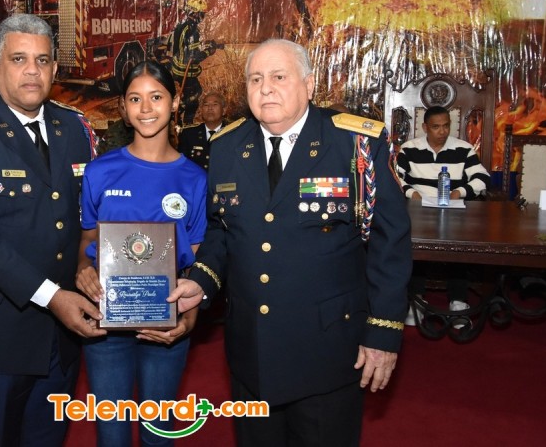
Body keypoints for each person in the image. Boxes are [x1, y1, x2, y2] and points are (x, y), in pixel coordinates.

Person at [168, 39, 412, 446]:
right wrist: (201, 282)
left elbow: (392, 242)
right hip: (252, 349)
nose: (265, 88)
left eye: (279, 77)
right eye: (255, 79)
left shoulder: (355, 143)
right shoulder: (227, 147)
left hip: (328, 350)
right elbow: (221, 231)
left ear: (309, 84)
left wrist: (384, 332)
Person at [0, 14, 106, 447]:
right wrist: (54, 297)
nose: (32, 70)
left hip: (63, 331)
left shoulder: (74, 127)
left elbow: (85, 217)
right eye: (19, 59)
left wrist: (90, 265)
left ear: (54, 69)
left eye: (42, 60)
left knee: (48, 436)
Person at [75, 60, 208, 446]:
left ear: (175, 102)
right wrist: (82, 268)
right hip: (105, 320)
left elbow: (196, 258)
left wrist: (191, 316)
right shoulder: (100, 171)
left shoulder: (195, 179)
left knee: (158, 432)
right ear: (123, 107)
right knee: (111, 433)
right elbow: (87, 240)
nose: (146, 108)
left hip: (166, 321)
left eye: (156, 97)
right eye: (135, 99)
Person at [396, 105, 491, 324]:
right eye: (436, 127)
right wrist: (412, 194)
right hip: (418, 210)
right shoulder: (409, 149)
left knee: (457, 245)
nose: (442, 131)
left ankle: (458, 300)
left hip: (453, 211)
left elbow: (482, 178)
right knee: (415, 244)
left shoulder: (463, 149)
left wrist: (459, 192)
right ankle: (417, 301)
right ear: (425, 128)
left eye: (446, 126)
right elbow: (396, 178)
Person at [167, 0, 218, 126]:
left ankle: (179, 118)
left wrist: (207, 44)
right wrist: (209, 51)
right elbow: (193, 58)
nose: (203, 17)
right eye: (202, 14)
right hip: (185, 71)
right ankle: (180, 117)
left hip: (177, 67)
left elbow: (188, 47)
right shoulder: (192, 31)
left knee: (193, 93)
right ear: (195, 13)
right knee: (194, 96)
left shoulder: (183, 26)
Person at [178, 92, 229, 170]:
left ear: (224, 110)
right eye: (206, 105)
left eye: (215, 104)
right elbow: (182, 166)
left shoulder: (232, 134)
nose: (210, 108)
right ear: (201, 110)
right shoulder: (189, 134)